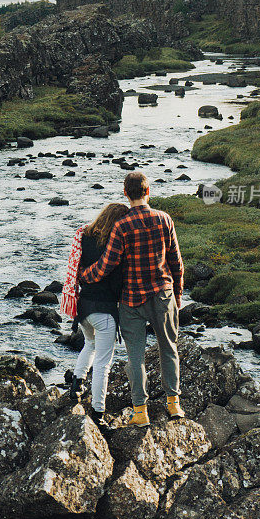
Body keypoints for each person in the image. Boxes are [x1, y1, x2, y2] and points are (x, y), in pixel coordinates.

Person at [80, 172, 184, 427]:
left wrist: (84, 276)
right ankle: (174, 405)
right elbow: (176, 262)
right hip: (163, 294)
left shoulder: (121, 225)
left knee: (135, 358)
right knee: (168, 349)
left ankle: (141, 412)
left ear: (126, 193)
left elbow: (106, 265)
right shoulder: (164, 219)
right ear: (148, 191)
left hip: (132, 300)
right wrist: (178, 295)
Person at [60, 203, 128, 432]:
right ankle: (98, 413)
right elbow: (117, 280)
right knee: (103, 364)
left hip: (83, 308)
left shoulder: (85, 235)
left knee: (89, 344)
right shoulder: (115, 243)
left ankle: (76, 385)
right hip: (105, 309)